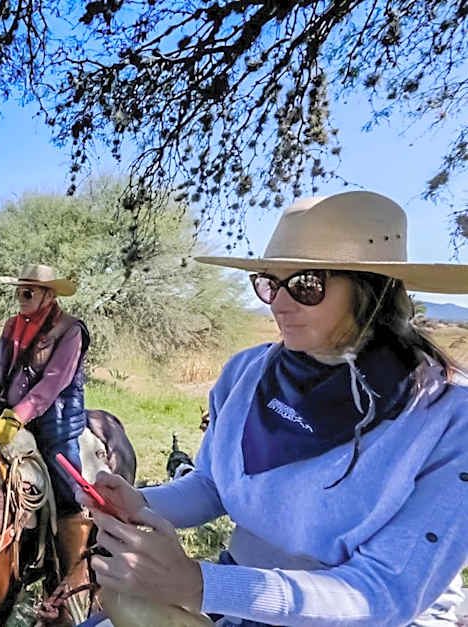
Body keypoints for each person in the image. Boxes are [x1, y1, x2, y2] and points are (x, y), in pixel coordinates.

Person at [79, 191, 468, 626]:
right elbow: (213, 485)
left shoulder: (449, 417)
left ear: (370, 290)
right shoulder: (247, 372)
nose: (279, 304)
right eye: (268, 283)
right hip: (238, 591)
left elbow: (382, 593)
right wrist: (139, 502)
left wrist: (198, 585)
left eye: (306, 285)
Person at [0, 263, 94, 615]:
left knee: (67, 491)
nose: (21, 298)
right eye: (19, 291)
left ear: (48, 295)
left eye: (28, 292)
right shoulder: (13, 324)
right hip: (10, 414)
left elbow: (53, 382)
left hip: (55, 422)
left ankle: (72, 575)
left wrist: (16, 416)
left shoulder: (72, 331)